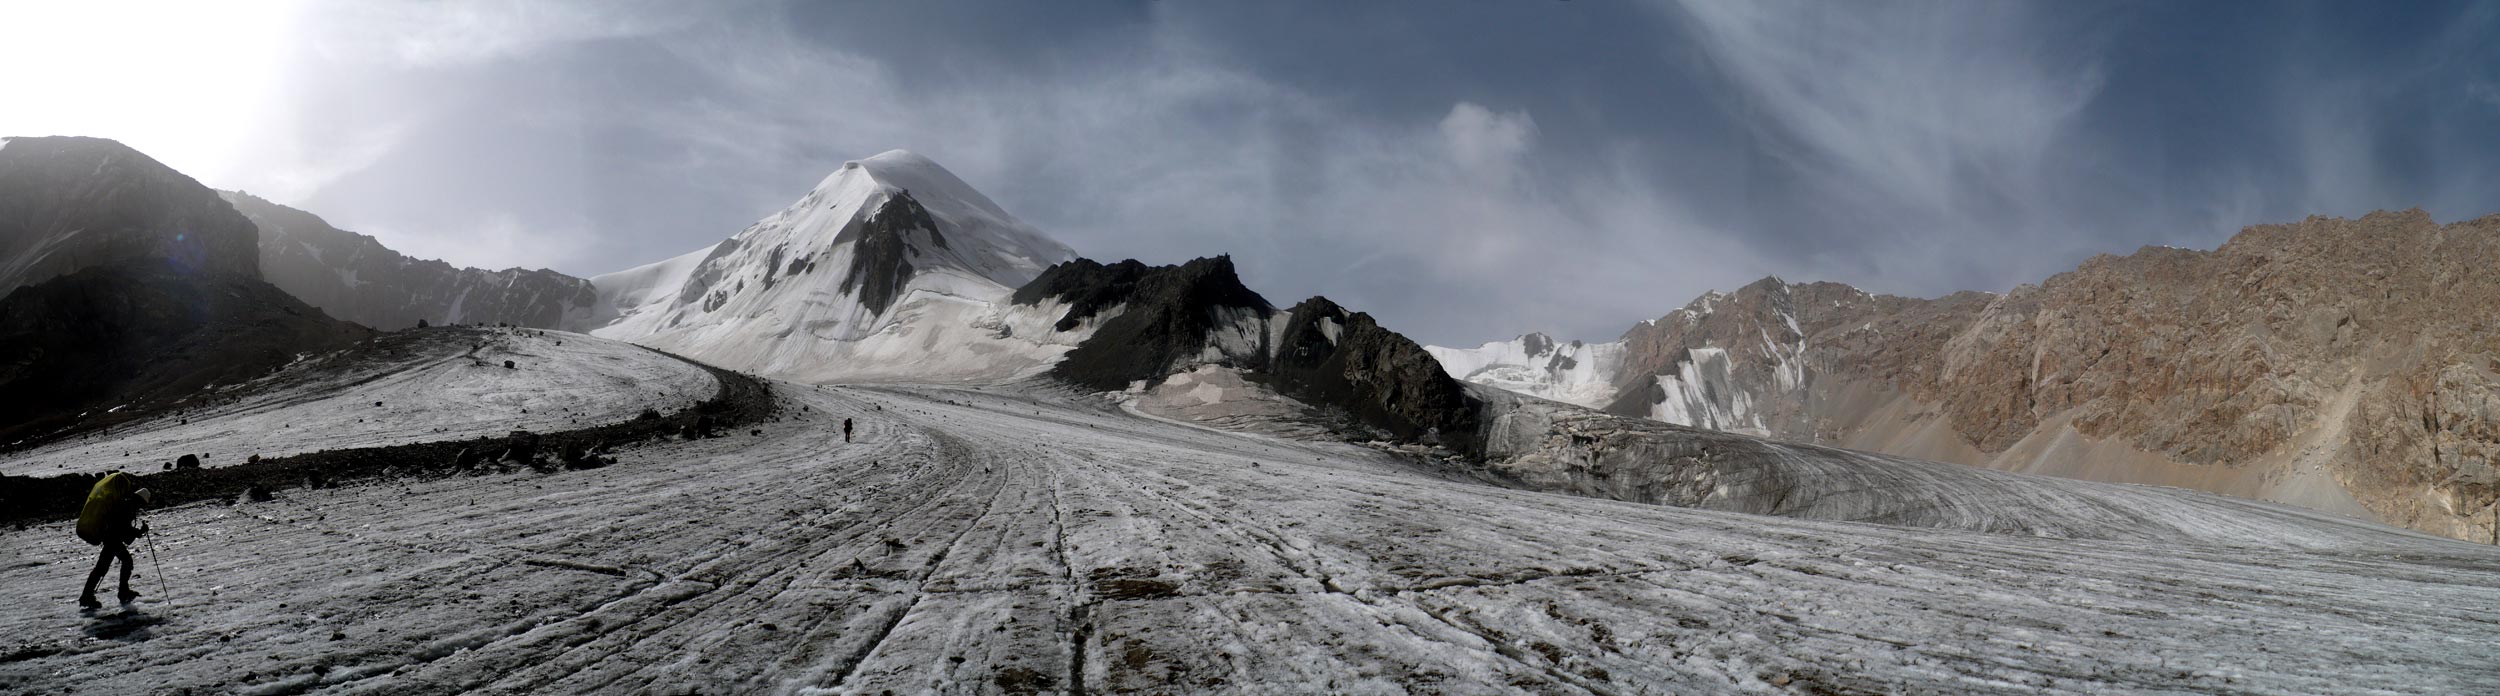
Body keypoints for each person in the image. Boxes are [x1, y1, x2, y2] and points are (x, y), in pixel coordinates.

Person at [76, 471, 153, 609]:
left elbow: (123, 528)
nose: (141, 507)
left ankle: (88, 596)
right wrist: (139, 532)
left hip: (110, 538)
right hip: (113, 540)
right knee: (122, 562)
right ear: (140, 500)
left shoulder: (125, 504)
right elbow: (123, 528)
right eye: (142, 504)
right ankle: (119, 592)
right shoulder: (128, 507)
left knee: (104, 567)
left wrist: (136, 532)